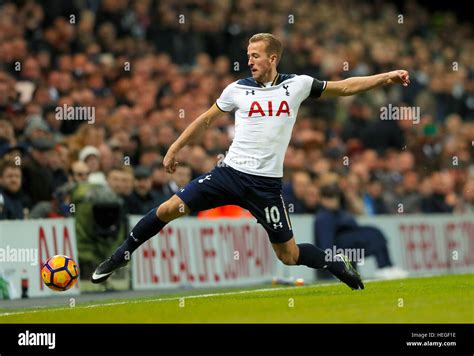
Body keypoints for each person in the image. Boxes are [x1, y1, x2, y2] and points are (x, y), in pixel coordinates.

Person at [92, 33, 411, 290]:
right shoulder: (236, 89)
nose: (249, 61)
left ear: (273, 58)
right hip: (229, 174)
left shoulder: (296, 85)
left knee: (289, 256)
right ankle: (120, 256)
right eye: (248, 56)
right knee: (166, 209)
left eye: (255, 55)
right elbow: (205, 120)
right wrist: (175, 147)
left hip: (266, 186)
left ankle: (334, 263)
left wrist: (386, 77)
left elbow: (343, 88)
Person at [315, 173, 407, 280]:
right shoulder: (324, 217)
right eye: (330, 197)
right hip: (339, 252)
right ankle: (384, 267)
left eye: (336, 196)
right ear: (322, 198)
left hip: (347, 247)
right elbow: (326, 246)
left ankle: (386, 266)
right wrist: (331, 268)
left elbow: (354, 221)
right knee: (373, 235)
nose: (334, 200)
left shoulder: (339, 211)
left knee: (375, 233)